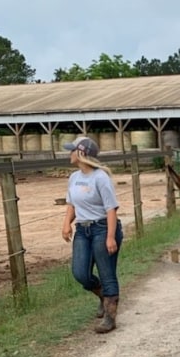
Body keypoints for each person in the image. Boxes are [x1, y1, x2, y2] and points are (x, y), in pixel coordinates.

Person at [61, 135, 123, 333]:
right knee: (80, 273)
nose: (69, 153)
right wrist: (66, 224)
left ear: (81, 153)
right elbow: (71, 203)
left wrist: (110, 236)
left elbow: (111, 209)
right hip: (83, 229)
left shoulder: (101, 178)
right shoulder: (74, 178)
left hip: (102, 228)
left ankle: (110, 316)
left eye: (72, 150)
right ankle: (103, 296)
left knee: (107, 273)